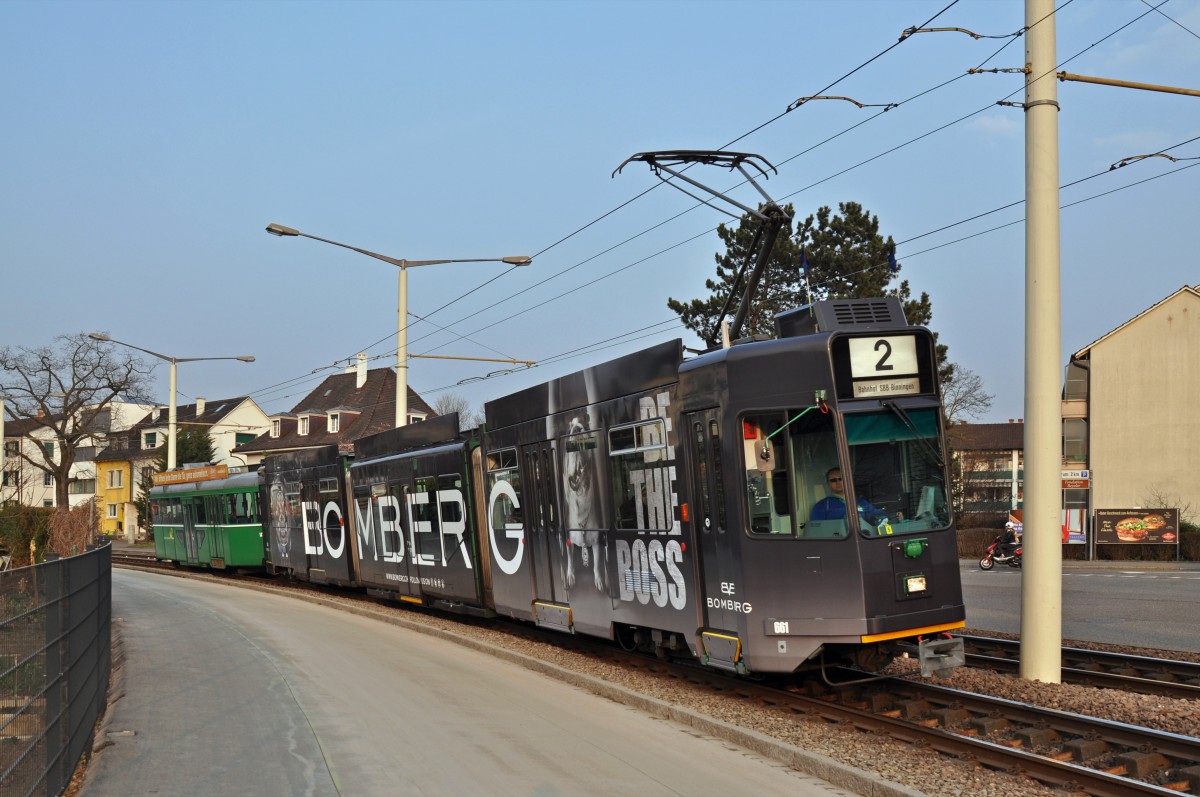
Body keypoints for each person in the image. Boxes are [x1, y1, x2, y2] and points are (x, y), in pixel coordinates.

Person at [810, 467, 885, 525]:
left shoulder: (860, 502)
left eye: (841, 479)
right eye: (833, 480)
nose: (838, 482)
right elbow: (816, 529)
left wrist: (882, 519)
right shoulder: (821, 506)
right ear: (828, 483)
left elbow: (878, 515)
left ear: (847, 480)